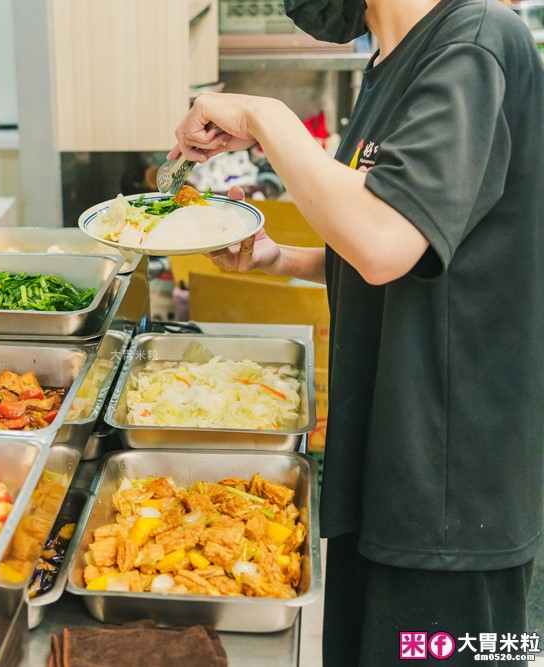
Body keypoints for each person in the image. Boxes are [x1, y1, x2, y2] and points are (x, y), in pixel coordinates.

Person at [168, 0, 544, 664]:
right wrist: (278, 258)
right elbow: (404, 248)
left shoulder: (476, 45)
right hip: (382, 465)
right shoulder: (388, 66)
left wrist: (265, 117)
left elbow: (381, 243)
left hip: (448, 500)